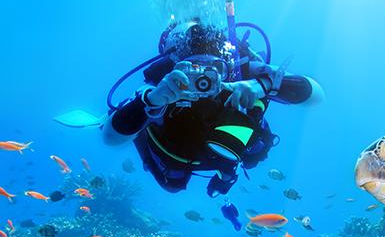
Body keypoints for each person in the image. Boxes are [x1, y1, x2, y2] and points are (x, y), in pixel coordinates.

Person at [102, 16, 322, 198]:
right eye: (191, 69)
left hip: (228, 150)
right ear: (174, 64)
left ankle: (226, 173)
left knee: (253, 153)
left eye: (215, 68)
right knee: (173, 184)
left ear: (226, 61)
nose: (203, 79)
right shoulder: (160, 84)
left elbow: (316, 94)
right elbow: (110, 139)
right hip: (178, 152)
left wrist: (261, 85)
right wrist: (151, 101)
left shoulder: (243, 71)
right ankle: (127, 125)